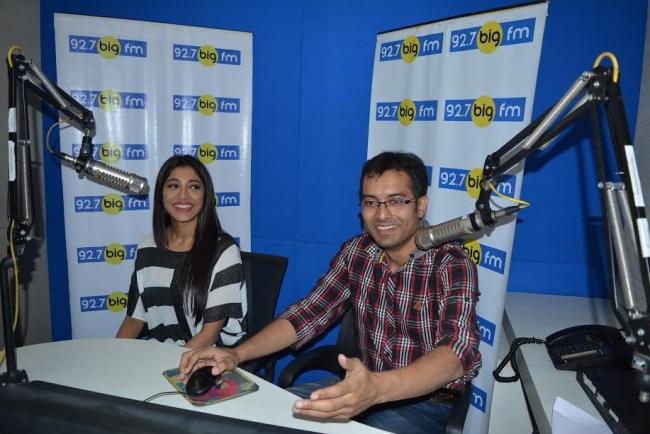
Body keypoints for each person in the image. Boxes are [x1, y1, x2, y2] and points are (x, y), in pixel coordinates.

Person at [179, 151, 481, 433]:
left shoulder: (451, 264)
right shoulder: (356, 253)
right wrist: (237, 353)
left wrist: (376, 388)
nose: (382, 215)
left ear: (421, 205)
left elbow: (455, 354)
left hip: (423, 402)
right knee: (269, 417)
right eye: (371, 202)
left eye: (396, 201)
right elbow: (306, 315)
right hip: (357, 386)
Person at [116, 155, 247, 350]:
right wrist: (112, 356)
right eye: (173, 186)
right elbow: (134, 319)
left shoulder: (223, 250)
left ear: (206, 195)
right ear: (161, 194)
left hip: (208, 358)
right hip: (161, 354)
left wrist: (170, 365)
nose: (183, 195)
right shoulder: (146, 247)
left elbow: (209, 335)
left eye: (194, 187)